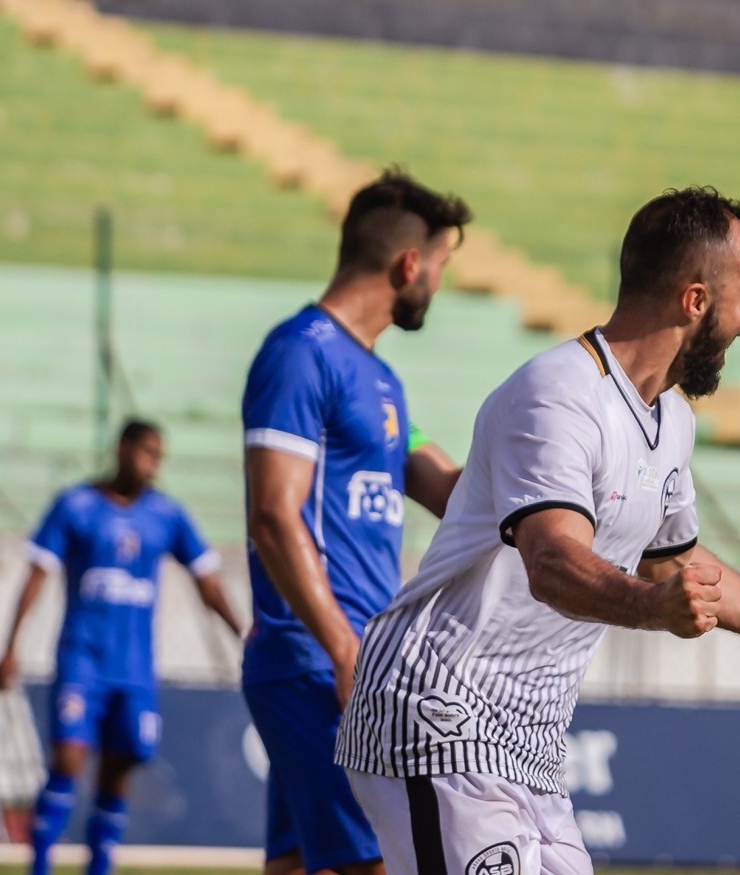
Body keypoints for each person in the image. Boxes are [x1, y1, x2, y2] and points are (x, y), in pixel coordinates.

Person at [335, 186, 740, 874]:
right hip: (439, 715)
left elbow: (670, 564)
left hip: (528, 742)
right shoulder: (557, 394)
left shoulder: (672, 420)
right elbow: (552, 560)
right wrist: (651, 609)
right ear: (695, 300)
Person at [242, 169, 471, 875]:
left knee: (297, 864)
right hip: (318, 657)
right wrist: (345, 650)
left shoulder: (378, 378)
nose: (439, 281)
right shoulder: (300, 352)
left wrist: (548, 494)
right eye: (440, 265)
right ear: (409, 265)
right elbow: (275, 517)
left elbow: (445, 484)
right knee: (378, 863)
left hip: (349, 660)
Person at [0, 419, 244, 875]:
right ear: (123, 448)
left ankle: (99, 867)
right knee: (68, 759)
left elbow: (205, 579)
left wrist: (245, 634)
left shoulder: (166, 515)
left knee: (119, 770)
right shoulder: (76, 505)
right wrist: (10, 646)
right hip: (81, 661)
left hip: (135, 669)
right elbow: (37, 575)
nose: (152, 464)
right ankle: (42, 865)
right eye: (146, 452)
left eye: (158, 456)